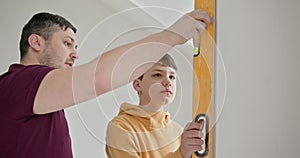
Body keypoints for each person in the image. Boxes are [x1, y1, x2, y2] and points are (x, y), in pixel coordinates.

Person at [0, 9, 212, 158]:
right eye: (67, 43)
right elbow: (97, 77)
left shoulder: (38, 98)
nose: (75, 54)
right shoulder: (19, 83)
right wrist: (173, 35)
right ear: (36, 42)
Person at [106, 54, 205, 158]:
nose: (168, 82)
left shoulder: (179, 132)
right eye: (157, 75)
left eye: (172, 77)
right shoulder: (121, 127)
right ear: (138, 85)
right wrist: (182, 153)